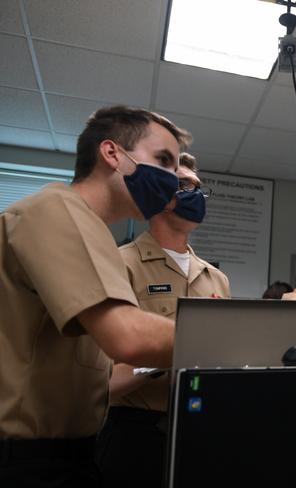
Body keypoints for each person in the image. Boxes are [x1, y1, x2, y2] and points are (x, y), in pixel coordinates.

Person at [0, 106, 192, 487]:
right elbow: (129, 337)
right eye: (163, 161)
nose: (173, 181)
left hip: (70, 451)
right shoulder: (56, 209)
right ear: (111, 154)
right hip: (26, 459)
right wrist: (239, 341)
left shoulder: (91, 230)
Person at [95, 153, 230, 488]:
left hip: (200, 427)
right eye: (184, 184)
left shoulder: (217, 279)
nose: (195, 194)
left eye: (199, 188)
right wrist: (170, 353)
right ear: (158, 193)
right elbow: (100, 378)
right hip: (135, 433)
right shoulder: (118, 263)